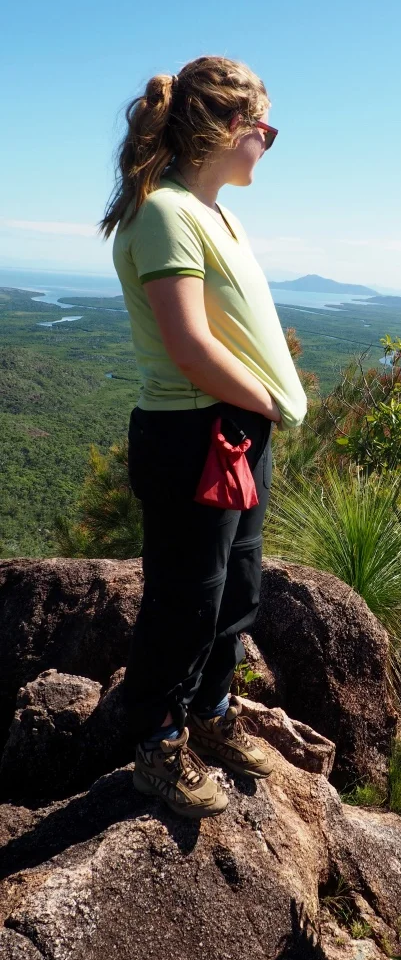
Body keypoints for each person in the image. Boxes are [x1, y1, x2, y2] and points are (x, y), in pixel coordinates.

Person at [100, 55, 307, 818]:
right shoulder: (165, 213)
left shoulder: (213, 211)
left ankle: (212, 715)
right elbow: (188, 346)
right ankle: (155, 745)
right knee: (187, 600)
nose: (268, 143)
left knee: (236, 588)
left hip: (230, 430)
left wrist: (260, 415)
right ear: (229, 127)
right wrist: (266, 402)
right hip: (196, 432)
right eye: (266, 128)